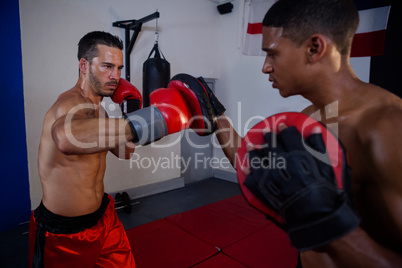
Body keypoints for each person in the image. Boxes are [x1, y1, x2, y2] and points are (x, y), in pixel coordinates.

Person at [202, 0, 402, 267]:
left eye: (272, 54)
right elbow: (253, 162)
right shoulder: (310, 116)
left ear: (314, 48)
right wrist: (216, 116)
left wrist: (326, 224)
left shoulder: (386, 128)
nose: (266, 67)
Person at [28, 31, 193, 267]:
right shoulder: (70, 103)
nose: (116, 76)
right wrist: (150, 119)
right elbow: (65, 137)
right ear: (84, 66)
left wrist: (131, 110)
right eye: (107, 66)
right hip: (64, 233)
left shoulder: (100, 111)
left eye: (118, 67)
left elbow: (125, 152)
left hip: (104, 218)